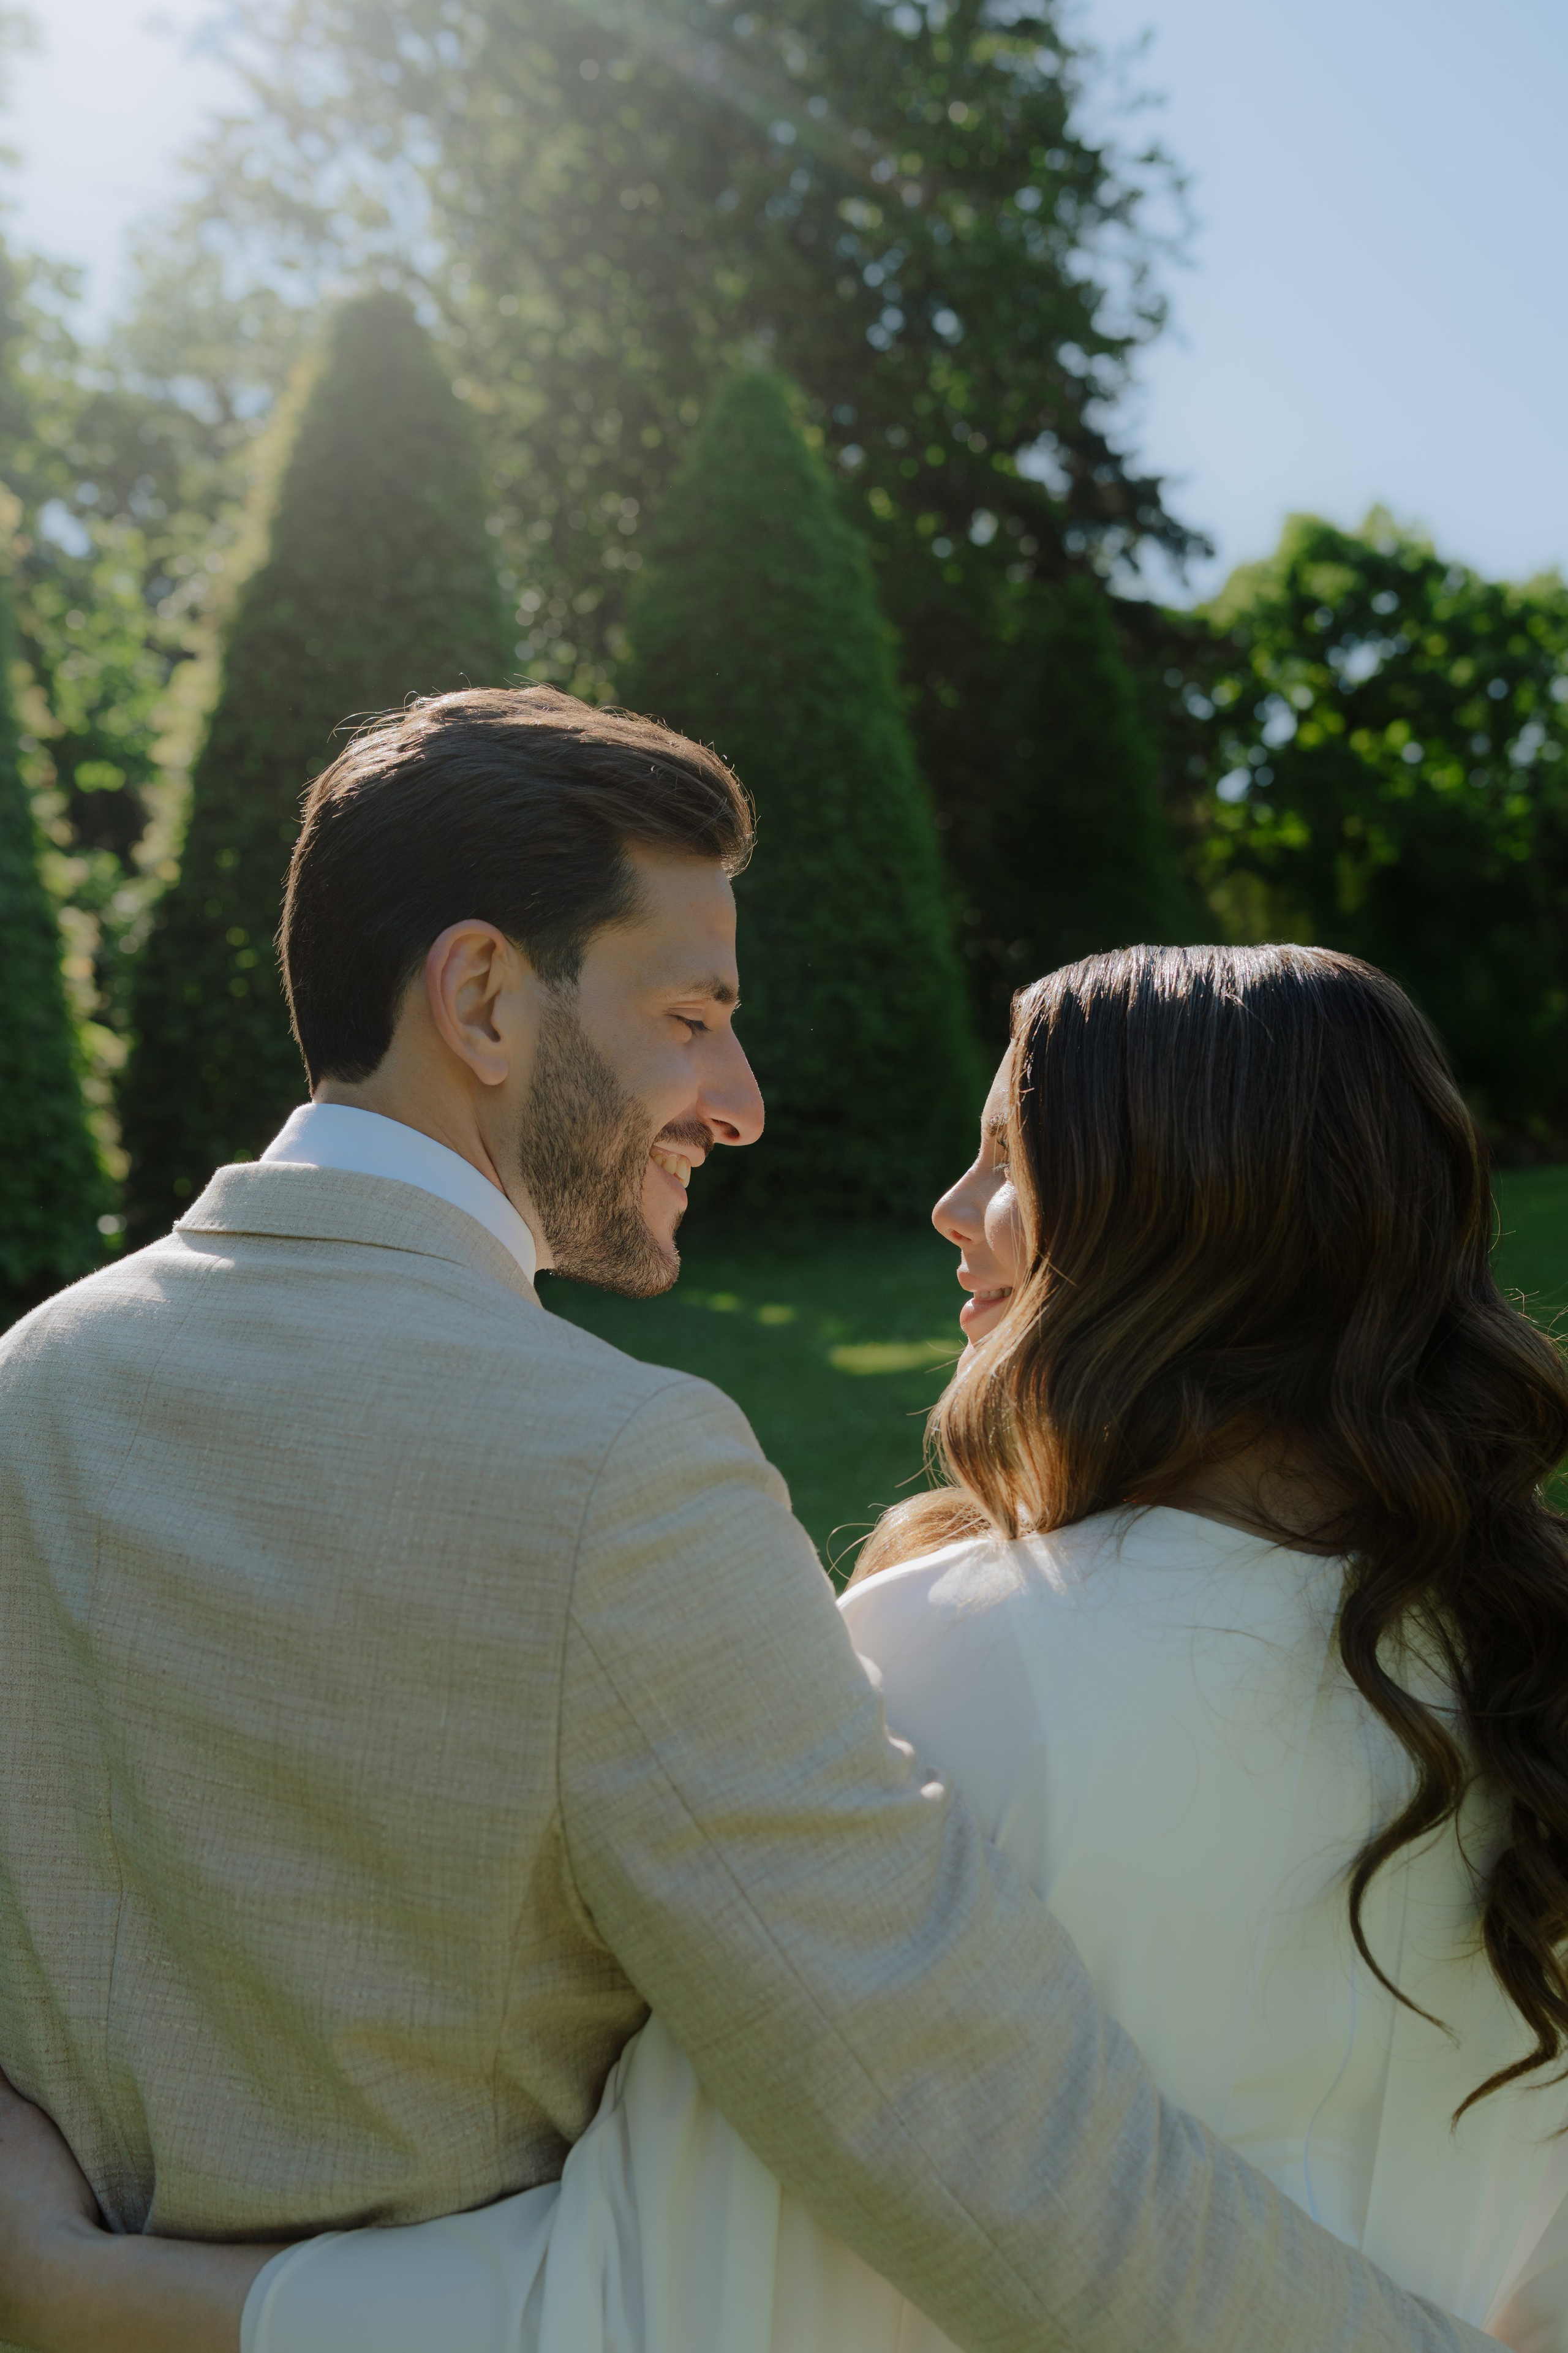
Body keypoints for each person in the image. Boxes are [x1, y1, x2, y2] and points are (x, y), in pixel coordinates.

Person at [0, 692, 1506, 2353]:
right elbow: (962, 2129)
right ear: (484, 996)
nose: (741, 1098)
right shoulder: (620, 1468)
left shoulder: (29, 1387)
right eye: (693, 1016)